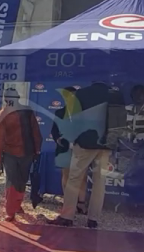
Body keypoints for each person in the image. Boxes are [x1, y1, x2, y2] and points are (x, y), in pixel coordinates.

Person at [51, 82, 118, 228]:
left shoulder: (81, 94)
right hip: (106, 145)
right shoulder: (116, 95)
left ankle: (67, 217)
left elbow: (74, 120)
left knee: (74, 179)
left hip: (85, 144)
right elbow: (119, 123)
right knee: (100, 182)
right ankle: (93, 219)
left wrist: (73, 139)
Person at [0, 89, 42, 222]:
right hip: (21, 153)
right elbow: (36, 133)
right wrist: (37, 150)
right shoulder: (23, 112)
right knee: (16, 181)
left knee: (17, 181)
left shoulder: (4, 114)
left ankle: (14, 207)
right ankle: (11, 210)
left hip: (19, 153)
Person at [51, 87, 88, 214]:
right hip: (64, 149)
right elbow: (54, 130)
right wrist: (57, 139)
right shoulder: (59, 112)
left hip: (81, 148)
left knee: (82, 176)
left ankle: (81, 203)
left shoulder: (84, 113)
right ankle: (68, 203)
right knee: (66, 175)